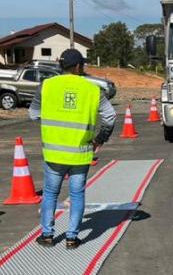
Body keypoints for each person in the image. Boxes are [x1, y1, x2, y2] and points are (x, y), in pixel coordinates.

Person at [29, 49, 116, 248]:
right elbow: (110, 117)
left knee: (50, 193)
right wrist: (100, 139)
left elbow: (33, 114)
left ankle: (47, 235)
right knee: (77, 194)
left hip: (54, 152)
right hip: (81, 153)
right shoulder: (93, 90)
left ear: (61, 66)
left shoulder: (46, 86)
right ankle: (71, 237)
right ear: (78, 67)